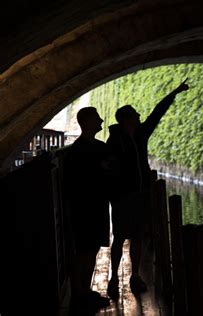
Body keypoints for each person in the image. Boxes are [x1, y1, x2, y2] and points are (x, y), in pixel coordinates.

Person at [106, 79, 189, 298]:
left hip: (141, 194)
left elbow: (157, 112)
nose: (140, 117)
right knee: (120, 237)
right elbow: (109, 167)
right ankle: (113, 278)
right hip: (123, 197)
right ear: (125, 119)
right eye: (135, 114)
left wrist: (174, 93)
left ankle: (134, 275)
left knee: (138, 236)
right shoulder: (114, 141)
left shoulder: (141, 134)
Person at [63, 107, 111, 313]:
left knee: (91, 250)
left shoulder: (80, 150)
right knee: (84, 250)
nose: (101, 121)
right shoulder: (80, 151)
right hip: (85, 207)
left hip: (95, 205)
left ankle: (84, 290)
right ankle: (81, 292)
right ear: (88, 122)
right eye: (97, 119)